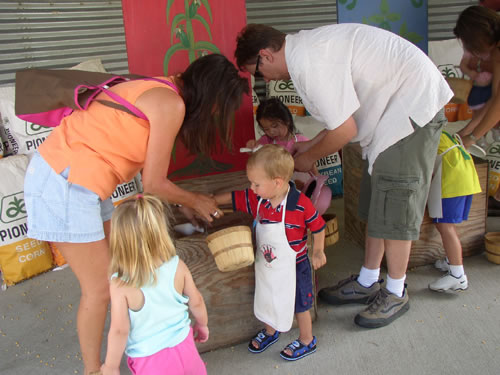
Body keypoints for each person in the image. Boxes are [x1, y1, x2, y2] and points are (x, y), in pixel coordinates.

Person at [23, 53, 248, 374]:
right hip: (65, 181)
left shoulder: (163, 88)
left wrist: (182, 202)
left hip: (82, 178)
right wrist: (196, 200)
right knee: (100, 289)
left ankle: (142, 344)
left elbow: (150, 176)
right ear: (211, 95)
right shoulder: (172, 105)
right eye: (219, 107)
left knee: (122, 269)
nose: (215, 114)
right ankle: (95, 370)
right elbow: (155, 185)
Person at [235, 23, 452, 328]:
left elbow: (345, 130)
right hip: (387, 115)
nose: (262, 80)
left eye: (255, 72)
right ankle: (368, 280)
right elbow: (343, 117)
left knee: (395, 207)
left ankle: (395, 290)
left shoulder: (309, 62)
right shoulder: (304, 53)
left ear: (265, 56)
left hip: (409, 109)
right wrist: (308, 145)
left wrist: (308, 157)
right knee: (378, 202)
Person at [214, 144, 326, 361]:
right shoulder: (258, 200)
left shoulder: (299, 204)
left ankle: (306, 339)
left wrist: (319, 251)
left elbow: (318, 226)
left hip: (296, 265)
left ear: (277, 182)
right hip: (267, 265)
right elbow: (236, 197)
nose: (252, 188)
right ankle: (270, 331)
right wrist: (211, 200)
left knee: (300, 303)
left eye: (256, 183)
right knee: (267, 296)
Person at [101, 194, 208, 375]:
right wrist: (202, 324)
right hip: (185, 347)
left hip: (150, 361)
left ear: (119, 240)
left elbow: (120, 330)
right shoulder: (177, 265)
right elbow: (196, 300)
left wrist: (111, 366)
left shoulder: (120, 284)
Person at [454, 6, 500, 200]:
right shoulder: (497, 52)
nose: (467, 50)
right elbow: (494, 99)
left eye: (467, 44)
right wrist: (464, 133)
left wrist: (472, 137)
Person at [427, 131, 481, 291]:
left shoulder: (425, 132)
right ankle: (451, 261)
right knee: (448, 225)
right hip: (465, 176)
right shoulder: (441, 131)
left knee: (446, 226)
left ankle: (457, 275)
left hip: (451, 179)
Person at [246, 97, 319, 188]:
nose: (271, 132)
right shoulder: (266, 142)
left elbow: (312, 164)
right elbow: (256, 155)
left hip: (303, 187)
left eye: (275, 126)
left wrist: (318, 180)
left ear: (287, 121)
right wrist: (251, 147)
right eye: (266, 129)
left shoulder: (302, 141)